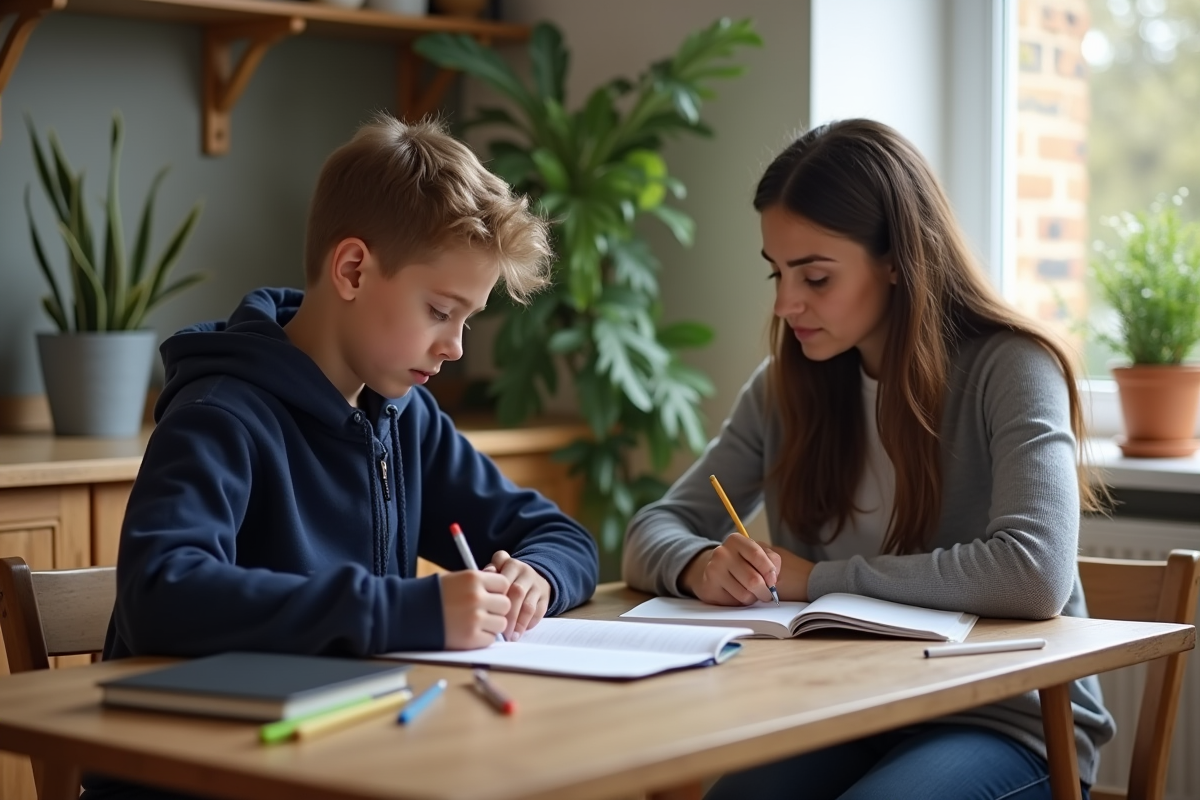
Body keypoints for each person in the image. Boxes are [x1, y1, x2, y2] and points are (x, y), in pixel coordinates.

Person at [82, 115, 598, 798]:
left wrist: (540, 577)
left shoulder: (405, 417)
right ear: (353, 269)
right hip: (199, 778)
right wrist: (405, 611)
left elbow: (563, 537)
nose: (455, 347)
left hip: (339, 763)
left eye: (467, 319)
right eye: (439, 311)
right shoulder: (219, 415)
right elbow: (161, 594)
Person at [622, 118, 1113, 800]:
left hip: (1005, 719)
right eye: (777, 272)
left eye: (816, 276)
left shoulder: (1012, 367)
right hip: (845, 708)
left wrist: (817, 581)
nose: (786, 303)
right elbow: (652, 529)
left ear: (896, 259)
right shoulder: (784, 388)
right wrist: (700, 565)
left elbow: (1034, 573)